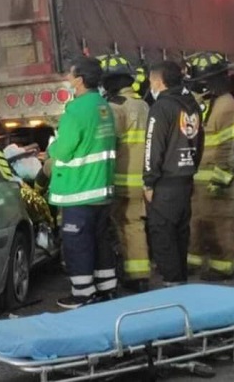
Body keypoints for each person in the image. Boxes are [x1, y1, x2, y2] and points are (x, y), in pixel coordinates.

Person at [48, 58, 117, 309]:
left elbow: (64, 151)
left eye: (70, 74)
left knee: (77, 244)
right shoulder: (103, 106)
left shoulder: (76, 110)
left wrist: (51, 146)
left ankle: (82, 294)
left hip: (79, 190)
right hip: (101, 188)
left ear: (79, 80)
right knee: (101, 241)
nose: (67, 77)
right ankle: (107, 288)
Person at [143, 61, 204, 287]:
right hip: (185, 180)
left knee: (163, 235)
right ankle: (181, 283)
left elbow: (153, 146)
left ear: (160, 81)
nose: (151, 85)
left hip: (165, 184)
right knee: (180, 234)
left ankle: (172, 286)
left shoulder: (161, 107)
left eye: (151, 81)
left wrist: (149, 182)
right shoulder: (192, 105)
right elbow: (200, 141)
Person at [98, 55, 151, 293]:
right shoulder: (142, 104)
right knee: (135, 225)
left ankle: (128, 274)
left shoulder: (114, 107)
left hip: (120, 179)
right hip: (142, 179)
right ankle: (139, 274)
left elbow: (108, 142)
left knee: (121, 226)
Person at [185, 52, 234, 281]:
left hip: (216, 179)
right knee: (197, 221)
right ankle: (194, 262)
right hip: (200, 179)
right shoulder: (209, 102)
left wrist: (222, 178)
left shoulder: (226, 106)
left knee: (220, 224)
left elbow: (229, 146)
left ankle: (223, 267)